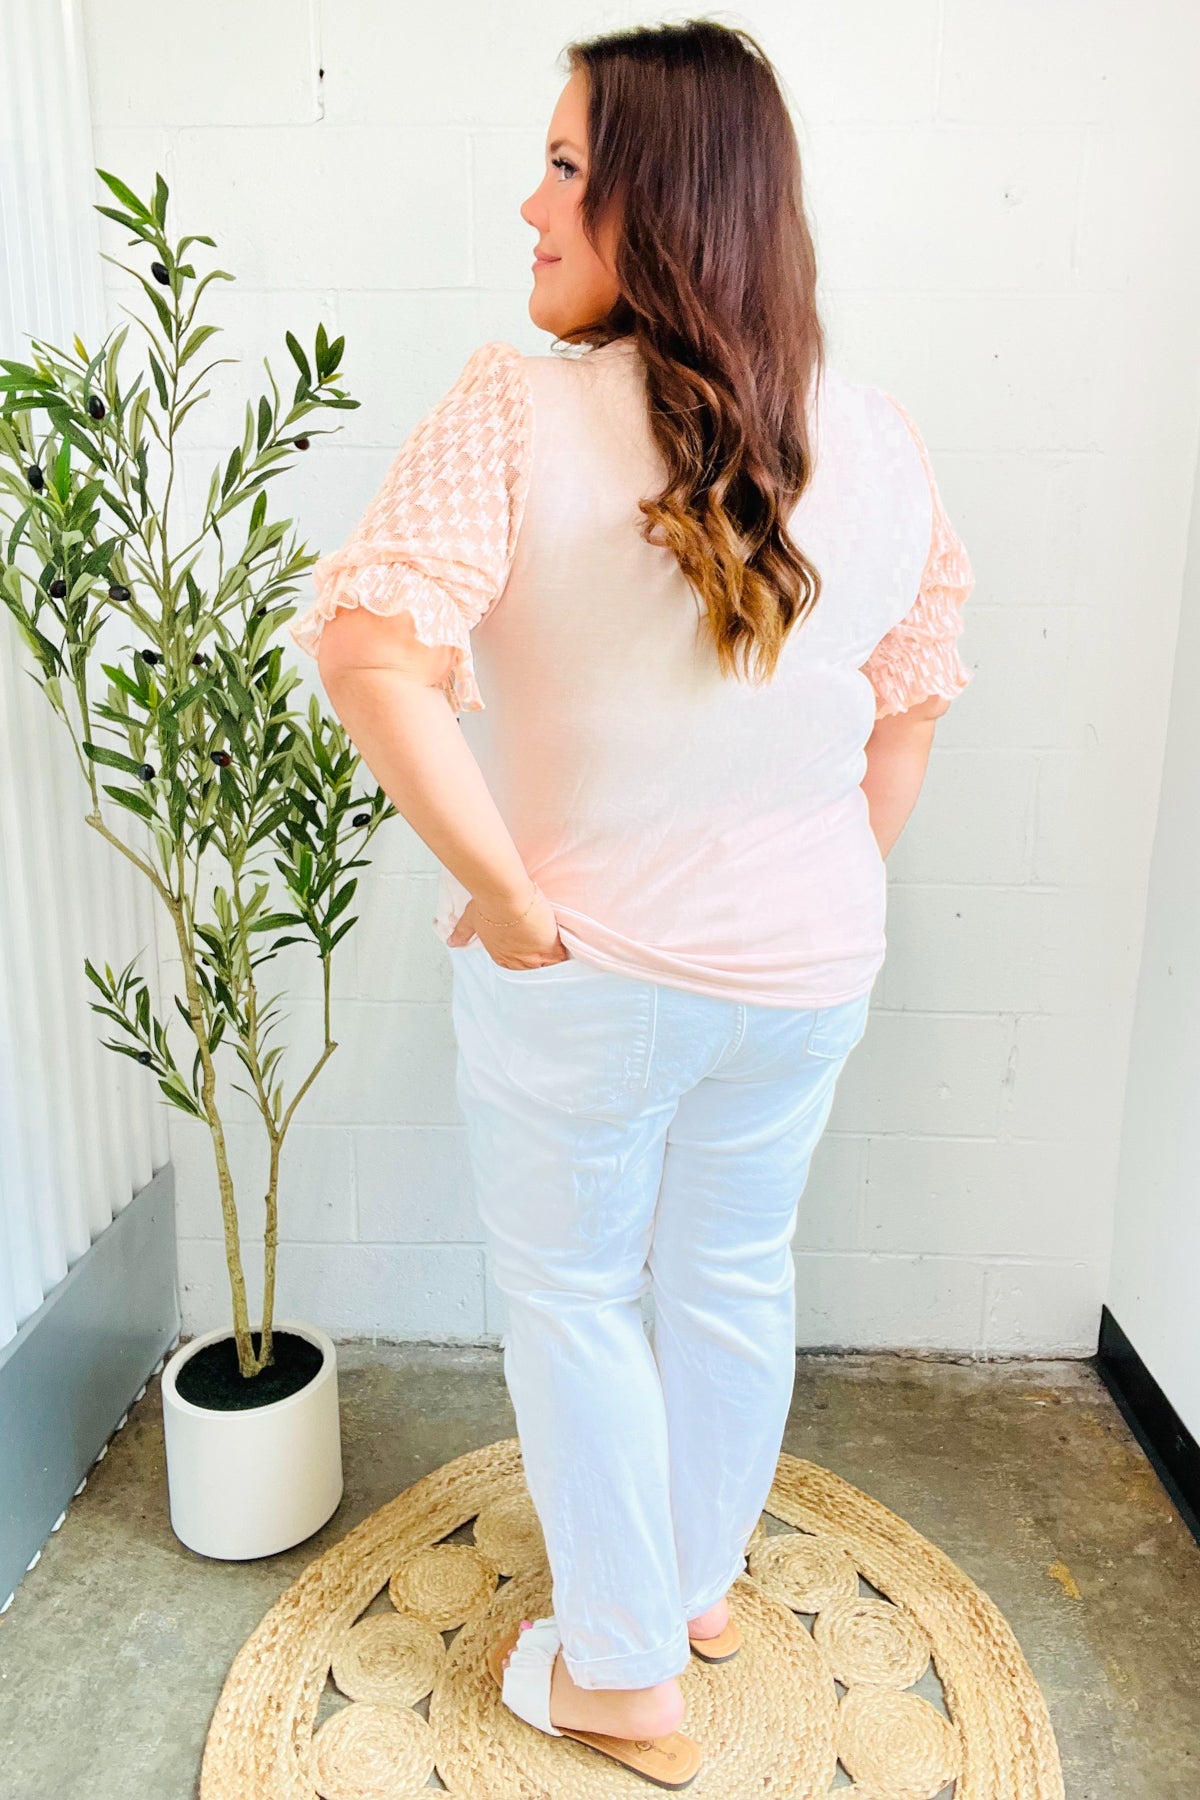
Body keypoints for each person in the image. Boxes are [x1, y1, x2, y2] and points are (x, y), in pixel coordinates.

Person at [289, 18, 974, 1790]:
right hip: (811, 967)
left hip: (587, 968)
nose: (529, 204)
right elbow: (905, 721)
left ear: (659, 203)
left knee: (581, 1297)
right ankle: (692, 1587)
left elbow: (372, 653)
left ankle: (615, 1678)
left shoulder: (515, 412)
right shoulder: (883, 443)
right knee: (735, 1270)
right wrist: (804, 902)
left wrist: (506, 891)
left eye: (568, 168)